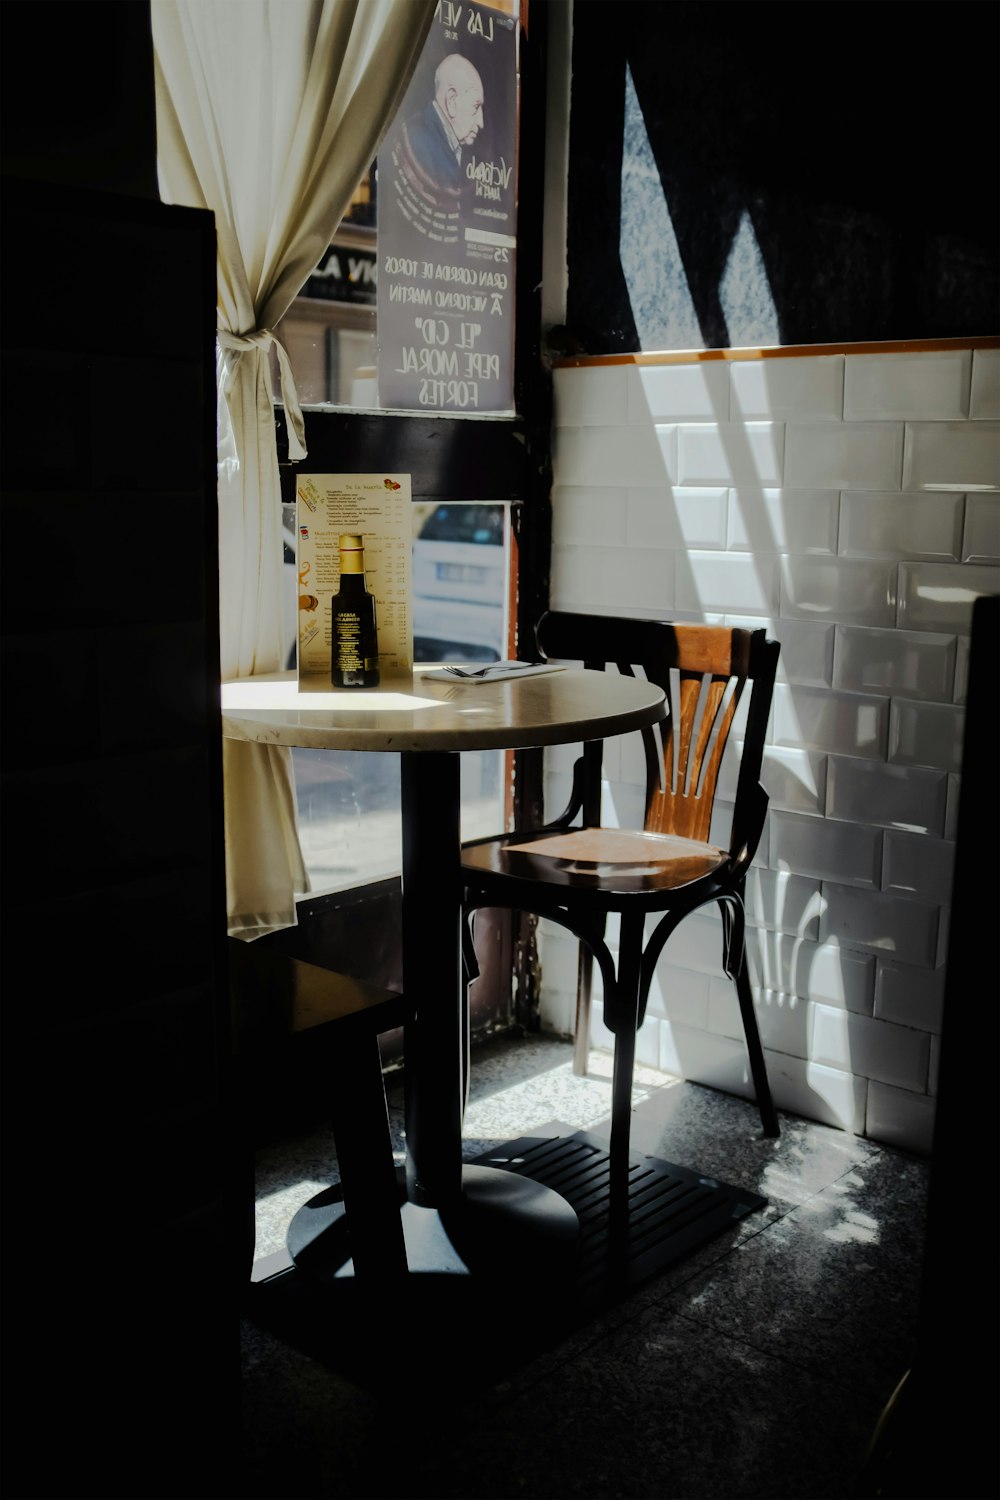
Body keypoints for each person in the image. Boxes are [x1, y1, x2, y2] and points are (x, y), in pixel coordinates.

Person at [399, 52, 484, 198]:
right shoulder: (419, 139)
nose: (481, 123)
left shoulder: (440, 137)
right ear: (451, 101)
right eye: (476, 107)